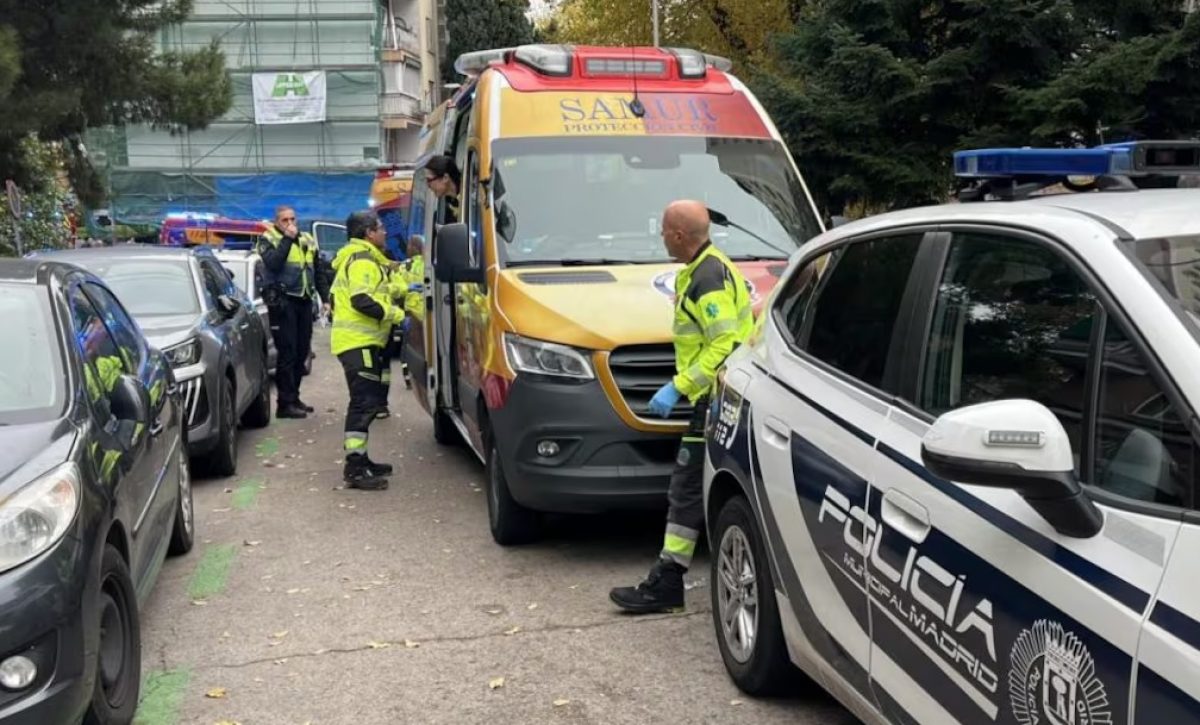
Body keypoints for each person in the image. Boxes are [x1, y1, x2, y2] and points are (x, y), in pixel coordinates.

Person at [609, 200, 755, 614]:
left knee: (688, 488)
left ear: (677, 235)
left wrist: (679, 385)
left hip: (716, 398)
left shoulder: (706, 277)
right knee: (691, 488)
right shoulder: (706, 268)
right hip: (717, 396)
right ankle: (669, 576)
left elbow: (724, 342)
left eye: (662, 231)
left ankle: (668, 581)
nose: (660, 237)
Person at [330, 210, 406, 490]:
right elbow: (362, 300)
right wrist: (398, 317)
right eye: (381, 228)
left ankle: (361, 459)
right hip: (357, 342)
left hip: (360, 342)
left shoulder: (364, 258)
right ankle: (355, 468)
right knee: (362, 405)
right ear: (368, 233)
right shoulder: (362, 260)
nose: (385, 232)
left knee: (369, 402)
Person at [257, 205, 330, 419]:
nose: (290, 224)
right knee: (287, 353)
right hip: (283, 302)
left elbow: (318, 271)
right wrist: (287, 239)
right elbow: (274, 263)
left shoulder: (306, 238)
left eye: (293, 219)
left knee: (301, 352)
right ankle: (284, 403)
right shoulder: (267, 239)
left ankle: (294, 397)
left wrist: (325, 299)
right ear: (276, 222)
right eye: (285, 220)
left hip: (304, 301)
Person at [422, 155, 461, 222]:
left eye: (429, 180)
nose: (428, 185)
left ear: (445, 178)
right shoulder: (446, 207)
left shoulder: (470, 197)